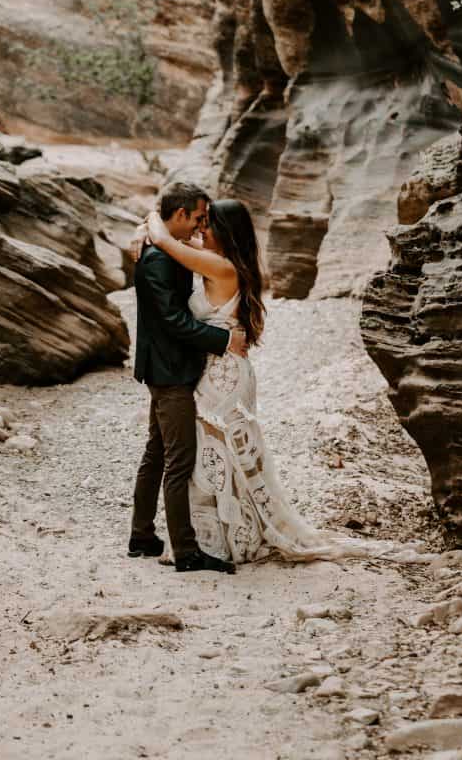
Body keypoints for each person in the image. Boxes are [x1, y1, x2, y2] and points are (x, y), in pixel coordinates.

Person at [142, 197, 392, 564]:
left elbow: (165, 241)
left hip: (221, 375)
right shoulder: (226, 262)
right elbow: (178, 241)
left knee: (215, 453)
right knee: (218, 453)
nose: (201, 229)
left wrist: (151, 216)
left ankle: (219, 542)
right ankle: (217, 535)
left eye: (207, 223)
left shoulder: (219, 266)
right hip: (221, 369)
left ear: (224, 231)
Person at [129, 181, 247, 574]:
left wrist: (151, 223)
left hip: (166, 366)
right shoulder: (157, 261)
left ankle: (142, 535)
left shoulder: (166, 251)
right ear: (179, 215)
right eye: (197, 217)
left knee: (157, 452)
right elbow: (174, 321)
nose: (200, 227)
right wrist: (224, 339)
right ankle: (187, 552)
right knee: (179, 461)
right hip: (170, 371)